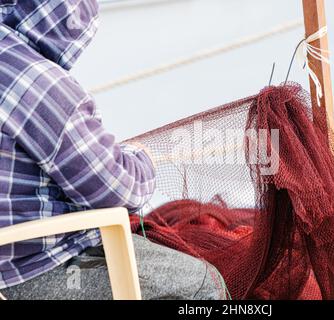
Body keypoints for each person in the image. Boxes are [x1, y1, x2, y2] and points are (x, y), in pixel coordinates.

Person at [0, 0, 226, 300]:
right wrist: (141, 158)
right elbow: (118, 192)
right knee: (202, 285)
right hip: (35, 271)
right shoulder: (36, 83)